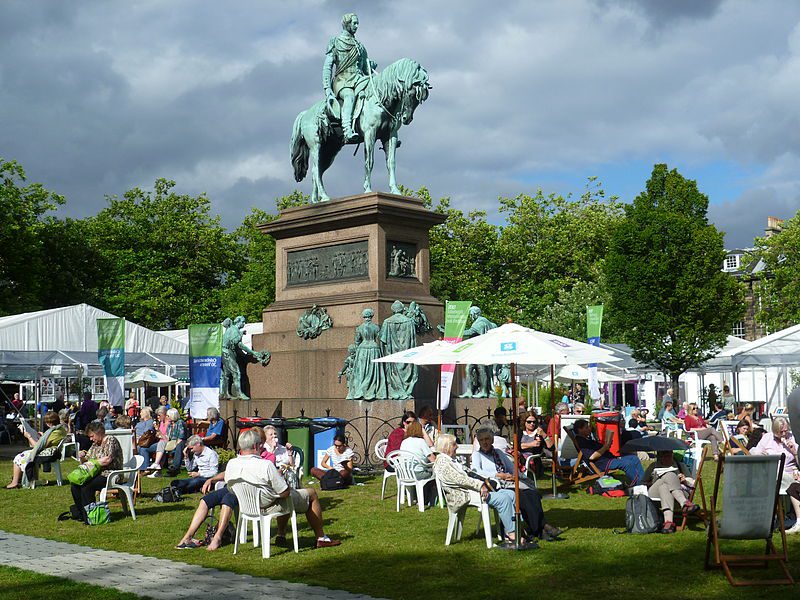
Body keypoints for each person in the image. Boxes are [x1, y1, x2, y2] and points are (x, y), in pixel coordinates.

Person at [224, 429, 341, 549]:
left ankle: (281, 534)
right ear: (255, 446)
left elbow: (230, 488)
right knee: (310, 493)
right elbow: (284, 492)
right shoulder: (265, 464)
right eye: (260, 444)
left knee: (282, 495)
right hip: (268, 504)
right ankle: (321, 538)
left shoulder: (232, 464)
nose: (262, 447)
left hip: (247, 505)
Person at [470, 427, 562, 541]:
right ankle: (542, 528)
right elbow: (476, 471)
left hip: (509, 482)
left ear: (492, 440)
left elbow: (511, 467)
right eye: (482, 440)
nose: (485, 442)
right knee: (521, 496)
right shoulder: (477, 455)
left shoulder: (498, 452)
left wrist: (514, 476)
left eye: (487, 439)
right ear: (479, 442)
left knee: (532, 494)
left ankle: (541, 529)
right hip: (496, 485)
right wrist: (498, 475)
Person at [433, 434, 520, 545]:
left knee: (511, 494)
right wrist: (480, 485)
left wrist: (487, 481)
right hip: (464, 494)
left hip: (471, 490)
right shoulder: (443, 463)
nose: (457, 447)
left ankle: (518, 528)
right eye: (455, 444)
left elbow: (469, 473)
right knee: (503, 499)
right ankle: (511, 533)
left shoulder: (449, 460)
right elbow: (460, 479)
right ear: (447, 447)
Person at [323, 13, 377, 142]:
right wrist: (327, 88)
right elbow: (327, 66)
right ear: (347, 24)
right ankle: (347, 130)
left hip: (359, 79)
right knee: (349, 96)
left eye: (358, 23)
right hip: (342, 81)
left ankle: (384, 128)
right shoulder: (335, 42)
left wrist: (370, 65)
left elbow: (364, 69)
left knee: (375, 92)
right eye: (354, 23)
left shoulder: (360, 46)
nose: (357, 26)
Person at [70, 421, 122, 522]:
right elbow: (87, 459)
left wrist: (92, 463)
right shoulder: (95, 445)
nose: (91, 439)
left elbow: (108, 459)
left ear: (99, 432)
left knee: (87, 486)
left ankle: (91, 515)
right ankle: (82, 514)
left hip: (111, 474)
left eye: (92, 436)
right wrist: (83, 457)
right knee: (75, 485)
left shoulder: (111, 440)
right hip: (97, 473)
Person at [572, 419, 645, 485]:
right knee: (627, 464)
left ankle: (643, 481)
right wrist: (605, 447)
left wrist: (607, 444)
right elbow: (592, 457)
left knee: (634, 458)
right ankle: (638, 484)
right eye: (586, 427)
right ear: (580, 429)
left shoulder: (587, 439)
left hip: (607, 459)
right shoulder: (582, 441)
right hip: (602, 463)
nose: (589, 429)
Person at [175, 471, 235, 550]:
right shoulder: (235, 461)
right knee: (204, 501)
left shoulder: (255, 461)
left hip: (246, 489)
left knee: (227, 500)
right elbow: (227, 472)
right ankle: (187, 538)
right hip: (229, 487)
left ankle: (217, 538)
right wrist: (211, 479)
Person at [6, 411, 66, 489]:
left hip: (47, 454)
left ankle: (15, 482)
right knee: (25, 454)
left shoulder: (55, 432)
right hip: (52, 452)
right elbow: (46, 442)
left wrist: (29, 436)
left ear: (49, 423)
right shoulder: (60, 429)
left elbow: (36, 446)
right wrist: (43, 436)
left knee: (19, 457)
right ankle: (23, 479)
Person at [644, 450, 699, 533]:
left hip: (677, 492)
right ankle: (684, 503)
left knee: (664, 487)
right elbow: (642, 483)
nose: (668, 458)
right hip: (654, 494)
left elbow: (691, 483)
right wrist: (654, 481)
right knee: (668, 475)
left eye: (670, 456)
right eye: (665, 456)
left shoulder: (680, 465)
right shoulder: (653, 466)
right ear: (660, 457)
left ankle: (668, 523)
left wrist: (684, 480)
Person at [752, 416, 797, 493]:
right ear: (774, 431)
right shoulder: (767, 438)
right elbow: (754, 453)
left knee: (783, 476)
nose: (783, 434)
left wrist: (795, 452)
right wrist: (761, 455)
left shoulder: (793, 438)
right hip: (770, 473)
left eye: (785, 431)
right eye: (780, 432)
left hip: (789, 473)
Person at [146, 407, 187, 477]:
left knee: (179, 445)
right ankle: (157, 466)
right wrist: (158, 431)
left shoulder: (180, 422)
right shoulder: (170, 425)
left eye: (168, 416)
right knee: (161, 443)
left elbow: (181, 436)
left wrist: (172, 444)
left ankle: (174, 468)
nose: (167, 417)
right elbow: (167, 438)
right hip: (171, 442)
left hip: (180, 441)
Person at [518, 412, 545, 477]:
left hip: (532, 459)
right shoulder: (520, 432)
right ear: (524, 422)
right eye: (529, 422)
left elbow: (538, 446)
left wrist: (523, 445)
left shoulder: (538, 432)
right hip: (519, 456)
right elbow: (516, 446)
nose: (532, 424)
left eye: (534, 422)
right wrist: (531, 444)